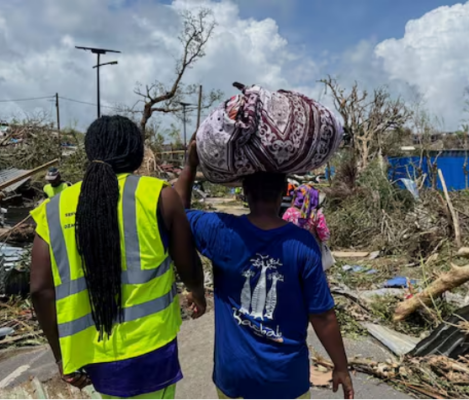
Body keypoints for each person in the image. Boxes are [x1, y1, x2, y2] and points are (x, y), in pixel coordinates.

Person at [30, 116, 206, 399]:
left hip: (91, 353)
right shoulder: (156, 195)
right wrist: (197, 293)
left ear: (90, 153)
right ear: (136, 153)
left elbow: (40, 291)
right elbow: (187, 264)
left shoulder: (53, 210)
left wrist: (62, 356)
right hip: (150, 346)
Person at [176, 141, 354, 399]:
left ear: (244, 190)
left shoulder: (221, 231)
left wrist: (190, 165)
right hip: (285, 379)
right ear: (284, 191)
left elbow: (176, 215)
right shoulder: (301, 244)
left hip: (234, 376)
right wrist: (341, 367)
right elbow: (323, 317)